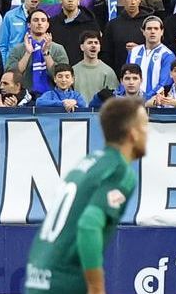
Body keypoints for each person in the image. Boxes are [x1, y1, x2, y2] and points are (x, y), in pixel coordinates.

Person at [24, 97, 148, 294]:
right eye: (144, 125)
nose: (147, 132)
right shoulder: (119, 170)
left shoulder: (88, 163)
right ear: (133, 134)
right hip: (63, 284)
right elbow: (89, 224)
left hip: (37, 278)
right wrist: (96, 287)